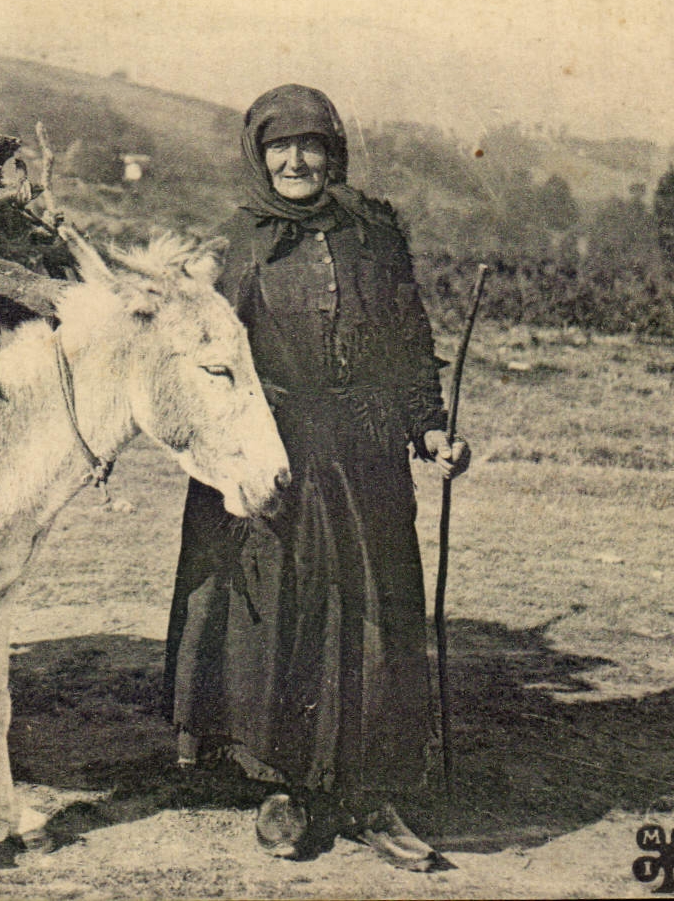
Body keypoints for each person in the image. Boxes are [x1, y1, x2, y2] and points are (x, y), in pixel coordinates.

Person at [162, 84, 471, 871]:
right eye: (281, 148)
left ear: (334, 153)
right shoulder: (239, 241)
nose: (297, 161)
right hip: (274, 458)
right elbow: (207, 363)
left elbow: (408, 339)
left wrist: (427, 426)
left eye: (312, 147)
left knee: (371, 616)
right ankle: (285, 792)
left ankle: (370, 796)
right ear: (259, 155)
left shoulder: (374, 233)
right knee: (280, 620)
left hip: (365, 458)